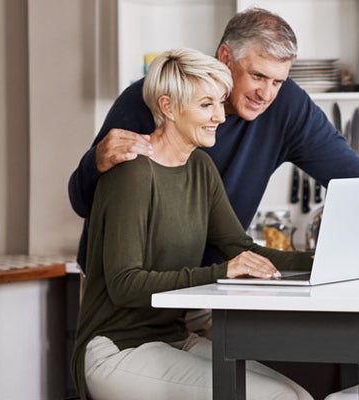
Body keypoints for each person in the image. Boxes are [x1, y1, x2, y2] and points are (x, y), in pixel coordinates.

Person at [68, 6, 359, 398]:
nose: (266, 93)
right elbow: (95, 220)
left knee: (289, 393)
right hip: (124, 314)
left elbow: (353, 179)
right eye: (257, 76)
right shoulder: (150, 107)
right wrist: (96, 163)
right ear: (225, 59)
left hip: (194, 300)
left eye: (277, 81)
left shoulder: (247, 133)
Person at [71, 48, 315, 400]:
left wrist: (320, 262)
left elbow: (241, 249)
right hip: (117, 349)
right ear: (168, 107)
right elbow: (125, 284)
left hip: (172, 338)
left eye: (220, 103)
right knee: (278, 399)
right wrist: (222, 271)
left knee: (296, 393)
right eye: (206, 105)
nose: (219, 116)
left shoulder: (200, 167)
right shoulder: (133, 172)